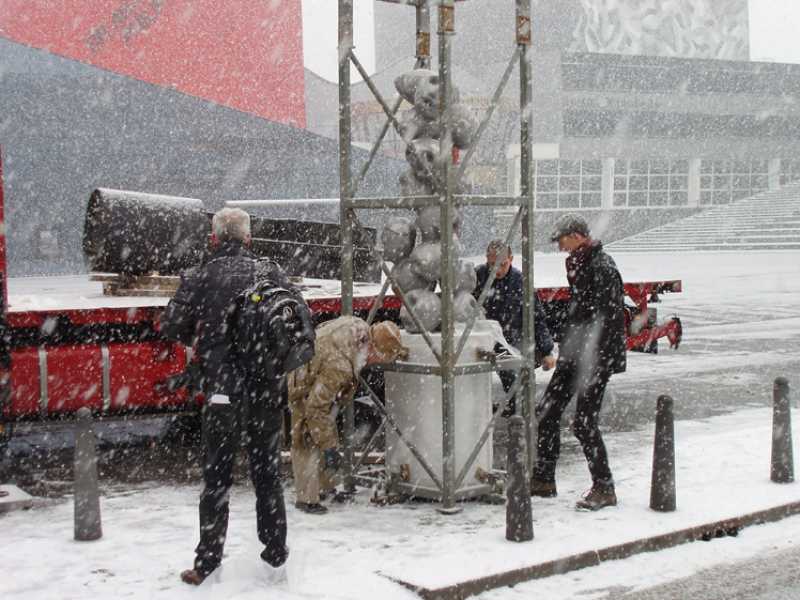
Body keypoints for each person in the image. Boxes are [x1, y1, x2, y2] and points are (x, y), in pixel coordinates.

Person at [160, 207, 292, 585]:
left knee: (217, 478)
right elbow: (292, 319)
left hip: (222, 392)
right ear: (248, 238)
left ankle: (207, 563)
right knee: (267, 474)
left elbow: (172, 324)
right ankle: (277, 559)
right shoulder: (271, 272)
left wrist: (210, 344)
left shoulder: (200, 276)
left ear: (214, 238)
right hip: (265, 388)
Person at [531, 214, 626, 511]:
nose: (560, 247)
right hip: (575, 353)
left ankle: (604, 487)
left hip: (596, 357)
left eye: (561, 240)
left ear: (576, 235)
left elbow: (605, 320)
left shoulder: (602, 266)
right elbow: (579, 311)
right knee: (546, 411)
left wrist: (591, 358)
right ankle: (544, 478)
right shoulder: (579, 262)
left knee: (584, 423)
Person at [287, 317, 408, 514]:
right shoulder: (340, 366)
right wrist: (329, 448)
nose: (376, 364)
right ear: (373, 351)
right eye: (380, 359)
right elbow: (315, 409)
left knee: (325, 427)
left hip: (313, 366)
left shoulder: (359, 329)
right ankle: (307, 498)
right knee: (307, 435)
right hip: (301, 383)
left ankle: (325, 488)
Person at [473, 240, 556, 417]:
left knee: (515, 369)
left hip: (513, 336)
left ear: (511, 259)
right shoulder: (477, 276)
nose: (498, 270)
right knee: (507, 367)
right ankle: (516, 405)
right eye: (493, 265)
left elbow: (537, 317)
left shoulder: (520, 282)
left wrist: (547, 350)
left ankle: (519, 407)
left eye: (503, 265)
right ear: (487, 258)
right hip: (487, 338)